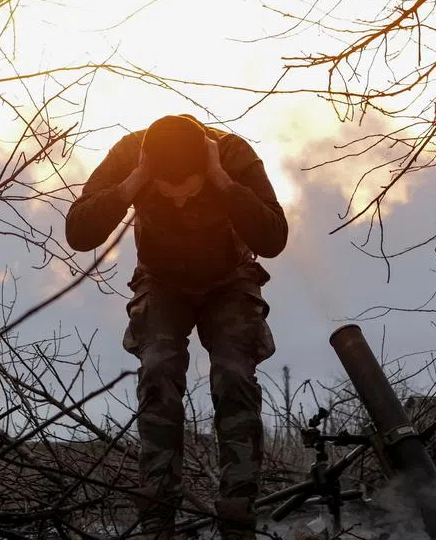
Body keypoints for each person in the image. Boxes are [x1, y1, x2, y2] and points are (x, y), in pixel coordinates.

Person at [66, 114, 288, 540]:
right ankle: (157, 520)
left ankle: (237, 519)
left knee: (234, 377)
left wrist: (223, 183)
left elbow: (274, 239)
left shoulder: (233, 155)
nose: (182, 205)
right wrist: (133, 184)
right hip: (162, 281)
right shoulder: (132, 155)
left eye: (191, 194)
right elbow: (78, 232)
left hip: (229, 278)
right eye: (170, 196)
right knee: (158, 376)